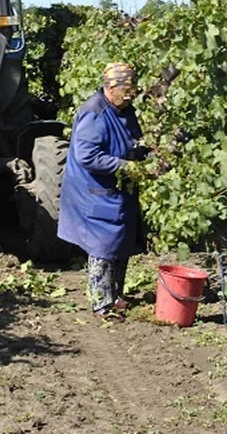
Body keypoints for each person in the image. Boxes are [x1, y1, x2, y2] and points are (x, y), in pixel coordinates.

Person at [57, 62, 150, 322]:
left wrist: (148, 150)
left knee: (121, 241)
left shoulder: (125, 109)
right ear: (110, 88)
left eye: (133, 89)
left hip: (117, 190)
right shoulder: (94, 112)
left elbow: (134, 140)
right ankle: (101, 304)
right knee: (102, 246)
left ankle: (116, 295)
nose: (131, 95)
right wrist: (124, 165)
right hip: (93, 191)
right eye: (126, 90)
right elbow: (86, 155)